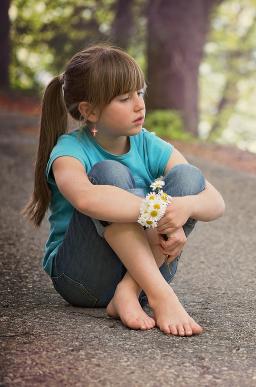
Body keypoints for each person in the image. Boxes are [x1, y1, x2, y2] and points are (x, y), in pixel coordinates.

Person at [22, 44, 225, 337]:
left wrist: (184, 210)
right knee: (108, 174)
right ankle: (162, 296)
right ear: (89, 111)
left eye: (139, 93)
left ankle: (128, 292)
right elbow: (86, 198)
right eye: (124, 98)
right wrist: (157, 215)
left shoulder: (147, 143)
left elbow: (215, 201)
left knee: (188, 176)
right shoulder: (69, 151)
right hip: (83, 279)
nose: (139, 104)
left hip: (145, 274)